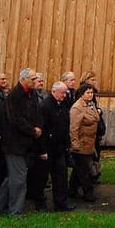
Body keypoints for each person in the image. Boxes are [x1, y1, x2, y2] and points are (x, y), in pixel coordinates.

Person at [0, 68, 43, 216]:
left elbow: (37, 113)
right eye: (32, 79)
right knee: (19, 179)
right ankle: (15, 210)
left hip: (27, 143)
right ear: (23, 80)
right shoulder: (14, 97)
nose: (35, 81)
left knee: (13, 177)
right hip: (14, 144)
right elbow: (15, 119)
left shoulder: (32, 95)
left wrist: (38, 126)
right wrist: (32, 130)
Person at [37, 81, 74, 211]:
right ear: (54, 92)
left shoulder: (63, 105)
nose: (64, 95)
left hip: (60, 147)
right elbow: (41, 129)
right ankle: (40, 204)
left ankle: (61, 203)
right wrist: (42, 150)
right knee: (42, 178)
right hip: (47, 147)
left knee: (61, 177)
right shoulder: (45, 106)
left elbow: (65, 126)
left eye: (66, 93)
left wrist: (67, 144)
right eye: (62, 93)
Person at [69, 83, 100, 203]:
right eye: (88, 93)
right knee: (84, 170)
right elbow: (74, 127)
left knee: (78, 169)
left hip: (90, 142)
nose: (90, 95)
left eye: (92, 93)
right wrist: (75, 143)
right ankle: (89, 193)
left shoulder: (91, 104)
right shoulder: (77, 108)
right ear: (82, 94)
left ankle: (72, 190)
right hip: (81, 143)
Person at [79, 71, 105, 184]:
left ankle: (93, 176)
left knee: (94, 156)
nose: (95, 82)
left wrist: (99, 111)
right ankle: (87, 180)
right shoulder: (81, 95)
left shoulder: (93, 95)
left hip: (95, 131)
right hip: (87, 132)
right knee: (86, 160)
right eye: (92, 80)